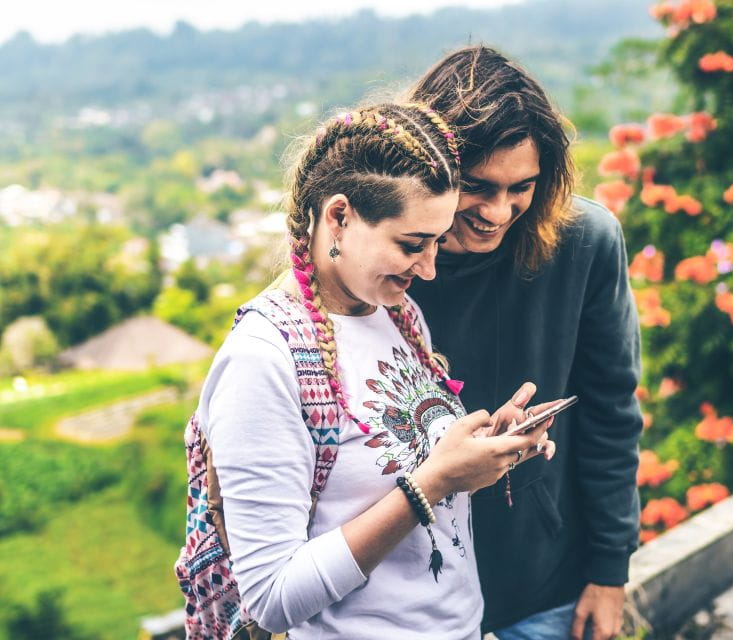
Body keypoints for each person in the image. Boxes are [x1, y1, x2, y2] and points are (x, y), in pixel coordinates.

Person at [176, 102, 556, 639]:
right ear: (339, 216)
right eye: (411, 245)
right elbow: (271, 599)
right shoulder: (263, 360)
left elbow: (405, 469)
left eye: (436, 241)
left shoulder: (397, 313)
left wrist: (484, 452)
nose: (428, 268)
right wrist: (434, 480)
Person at [406, 47, 644, 640]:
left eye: (522, 189)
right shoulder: (385, 266)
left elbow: (611, 412)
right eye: (476, 187)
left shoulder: (584, 243)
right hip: (409, 595)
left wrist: (610, 571)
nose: (497, 211)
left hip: (543, 583)